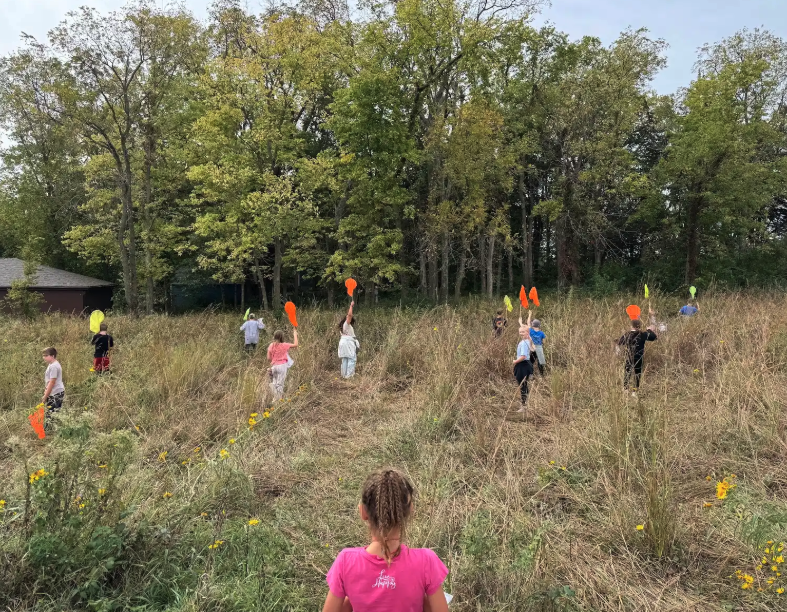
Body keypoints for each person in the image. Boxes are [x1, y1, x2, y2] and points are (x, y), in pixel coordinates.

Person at [322, 469, 450, 612]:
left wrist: (354, 598)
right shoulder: (426, 561)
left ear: (363, 512)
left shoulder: (346, 561)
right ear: (410, 510)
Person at [616, 309, 658, 395]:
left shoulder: (627, 334)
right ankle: (634, 392)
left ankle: (625, 389)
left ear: (631, 326)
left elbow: (619, 342)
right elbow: (654, 337)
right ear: (639, 326)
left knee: (627, 371)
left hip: (628, 356)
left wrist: (617, 350)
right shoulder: (642, 334)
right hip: (639, 357)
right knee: (637, 373)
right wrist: (649, 330)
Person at [267, 328, 298, 401]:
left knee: (275, 382)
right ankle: (279, 401)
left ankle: (274, 400)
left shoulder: (271, 345)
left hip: (274, 366)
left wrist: (274, 360)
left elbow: (268, 358)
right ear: (282, 337)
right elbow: (296, 345)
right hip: (282, 366)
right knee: (280, 385)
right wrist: (295, 335)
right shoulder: (284, 345)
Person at [513, 313, 534, 412]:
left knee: (523, 385)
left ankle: (524, 406)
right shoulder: (527, 340)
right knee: (524, 385)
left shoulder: (524, 343)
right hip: (526, 365)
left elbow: (523, 356)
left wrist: (515, 361)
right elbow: (527, 329)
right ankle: (524, 404)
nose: (521, 333)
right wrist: (521, 323)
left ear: (527, 333)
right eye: (520, 332)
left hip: (523, 365)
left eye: (523, 332)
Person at [41, 347, 65, 430]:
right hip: (53, 391)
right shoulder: (51, 364)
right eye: (43, 355)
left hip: (55, 392)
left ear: (53, 356)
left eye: (46, 355)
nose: (44, 357)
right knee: (52, 412)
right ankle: (52, 429)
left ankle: (49, 431)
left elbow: (52, 382)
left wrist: (45, 396)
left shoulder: (54, 366)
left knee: (51, 413)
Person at [338, 301, 360, 379]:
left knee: (345, 359)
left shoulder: (343, 327)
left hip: (343, 343)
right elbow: (349, 315)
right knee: (351, 359)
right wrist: (351, 306)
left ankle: (344, 375)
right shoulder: (346, 325)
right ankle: (349, 376)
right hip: (348, 343)